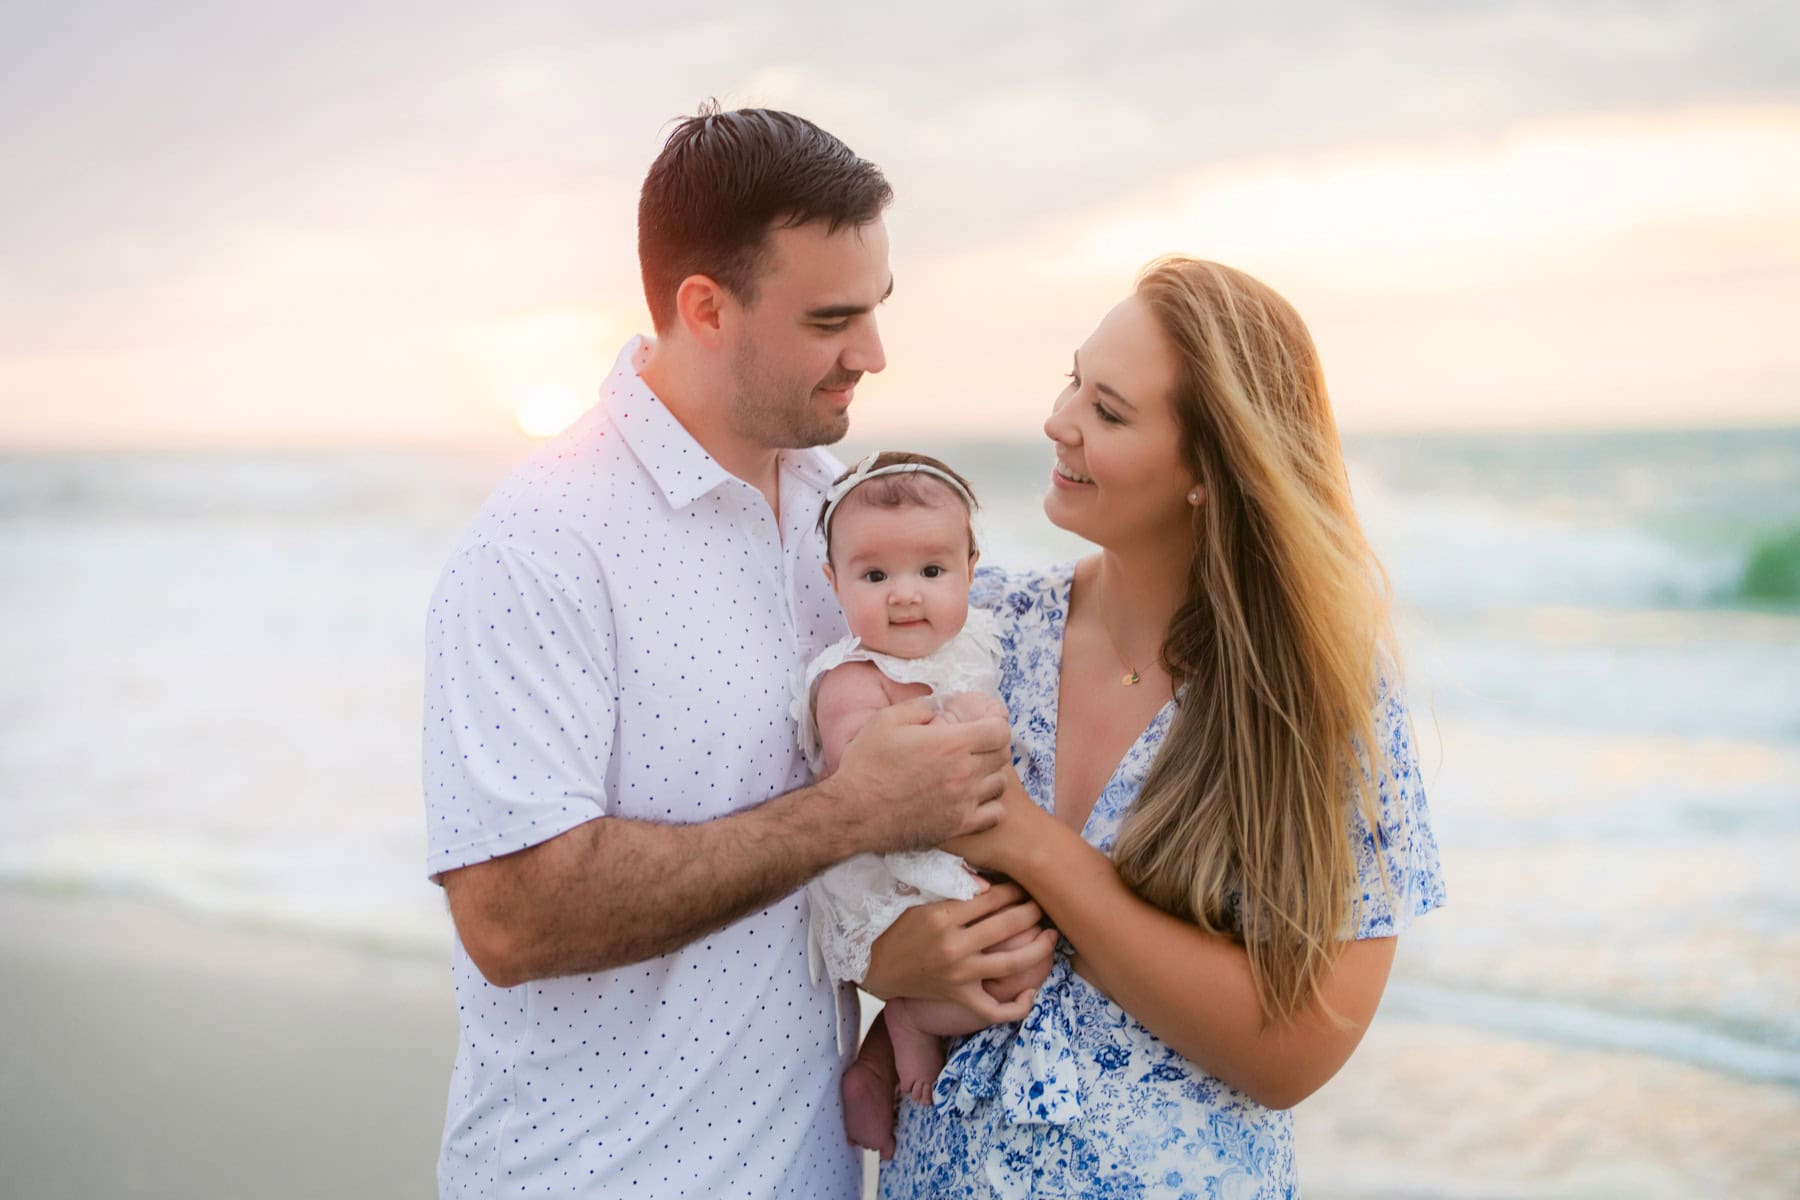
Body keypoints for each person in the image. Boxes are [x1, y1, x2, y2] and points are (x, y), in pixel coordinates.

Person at [420, 105, 1051, 1199]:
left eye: (876, 309)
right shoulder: (542, 546)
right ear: (705, 309)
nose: (873, 354)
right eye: (830, 320)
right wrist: (856, 813)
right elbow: (513, 916)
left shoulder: (839, 518)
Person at [868, 257, 1447, 1198]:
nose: (1059, 420)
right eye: (1072, 380)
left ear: (1209, 474)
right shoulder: (979, 634)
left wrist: (1033, 847)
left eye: (1109, 410)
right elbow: (850, 872)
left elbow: (1296, 1053)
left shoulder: (1316, 701)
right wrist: (888, 960)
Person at [794, 451, 1057, 1159]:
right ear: (834, 582)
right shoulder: (852, 674)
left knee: (1028, 951)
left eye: (931, 573)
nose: (905, 595)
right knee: (1013, 967)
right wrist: (957, 726)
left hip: (948, 853)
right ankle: (908, 1017)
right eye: (875, 576)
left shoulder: (974, 642)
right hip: (891, 871)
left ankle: (878, 1059)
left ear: (972, 568)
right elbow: (859, 765)